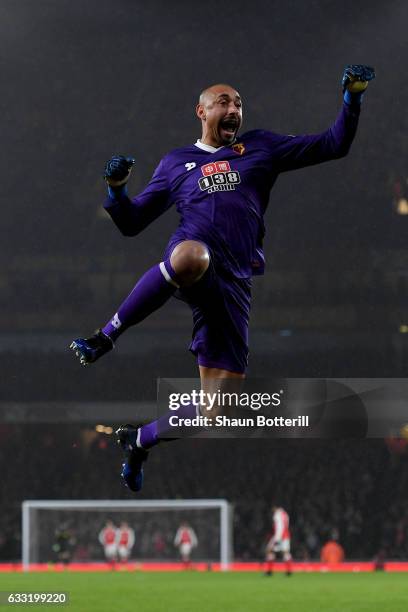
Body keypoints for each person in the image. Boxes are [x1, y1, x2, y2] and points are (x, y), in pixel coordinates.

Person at [70, 65, 375, 491]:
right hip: (192, 261)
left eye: (239, 104)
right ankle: (106, 335)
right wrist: (117, 190)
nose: (234, 109)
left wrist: (352, 98)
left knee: (220, 410)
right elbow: (132, 222)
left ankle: (138, 441)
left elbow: (333, 144)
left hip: (233, 284)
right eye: (224, 102)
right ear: (201, 110)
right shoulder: (176, 163)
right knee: (192, 256)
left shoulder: (261, 147)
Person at [265, 505, 292, 576]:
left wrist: (277, 539)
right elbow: (286, 525)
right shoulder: (285, 514)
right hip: (286, 535)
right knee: (286, 552)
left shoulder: (277, 515)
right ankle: (289, 571)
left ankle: (269, 571)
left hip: (279, 536)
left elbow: (279, 527)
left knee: (269, 550)